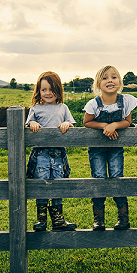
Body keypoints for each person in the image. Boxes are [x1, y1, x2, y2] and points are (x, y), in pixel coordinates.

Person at [83, 65, 137, 231]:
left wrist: (114, 124)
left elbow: (127, 122)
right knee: (99, 177)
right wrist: (103, 126)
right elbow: (87, 122)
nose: (110, 80)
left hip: (115, 147)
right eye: (105, 78)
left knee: (117, 177)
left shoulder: (125, 101)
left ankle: (123, 218)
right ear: (98, 84)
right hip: (97, 148)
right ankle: (98, 219)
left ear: (119, 82)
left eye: (114, 77)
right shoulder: (94, 104)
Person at [26, 71, 77, 231]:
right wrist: (32, 124)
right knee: (41, 184)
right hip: (41, 154)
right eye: (44, 90)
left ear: (58, 90)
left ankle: (58, 219)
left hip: (58, 155)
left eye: (52, 89)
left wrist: (67, 124)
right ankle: (41, 219)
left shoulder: (63, 108)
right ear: (38, 92)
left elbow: (71, 123)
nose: (48, 93)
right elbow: (28, 125)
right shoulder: (35, 109)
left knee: (58, 183)